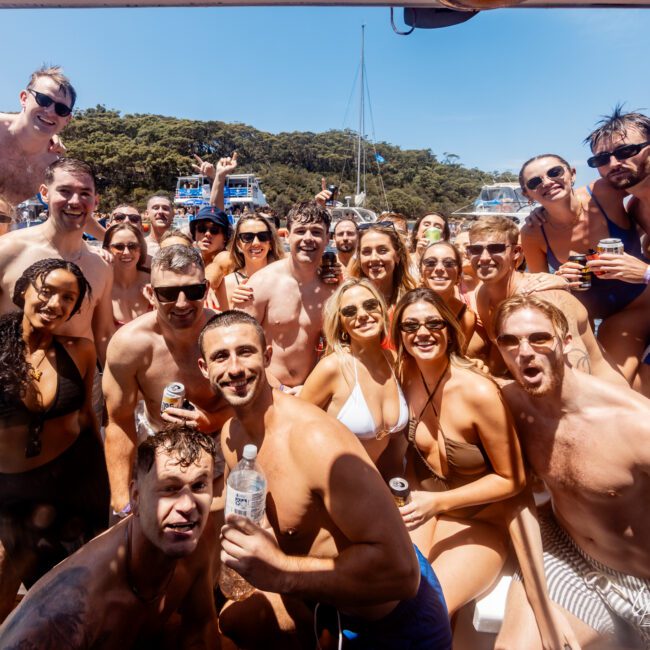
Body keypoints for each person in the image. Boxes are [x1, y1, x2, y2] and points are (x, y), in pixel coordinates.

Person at [198, 310, 452, 649]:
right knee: (235, 623)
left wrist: (281, 572)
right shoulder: (232, 434)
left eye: (246, 352)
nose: (234, 369)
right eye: (220, 357)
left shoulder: (315, 441)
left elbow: (403, 575)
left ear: (268, 356)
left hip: (395, 622)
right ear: (204, 368)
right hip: (325, 603)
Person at [493, 295, 650, 650]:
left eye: (539, 338)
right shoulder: (508, 403)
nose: (525, 351)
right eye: (510, 341)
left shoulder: (635, 423)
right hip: (569, 552)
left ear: (564, 343)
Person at [0, 426, 220, 649]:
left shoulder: (193, 541)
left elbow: (202, 628)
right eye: (169, 488)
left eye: (199, 486)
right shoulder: (75, 611)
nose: (188, 506)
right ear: (135, 498)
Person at [391, 287, 525, 616]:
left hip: (483, 522)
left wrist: (436, 502)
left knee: (429, 610)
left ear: (450, 331)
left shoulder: (477, 391)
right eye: (410, 326)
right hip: (425, 513)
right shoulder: (404, 378)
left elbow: (513, 479)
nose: (422, 333)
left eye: (433, 324)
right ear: (400, 335)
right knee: (390, 599)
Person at [0, 259, 109, 621]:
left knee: (67, 593)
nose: (55, 304)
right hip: (9, 495)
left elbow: (87, 419)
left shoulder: (80, 350)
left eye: (68, 297)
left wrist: (105, 491)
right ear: (23, 292)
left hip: (69, 490)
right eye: (46, 291)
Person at [103, 245, 230, 517]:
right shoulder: (130, 344)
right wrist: (121, 497)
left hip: (222, 448)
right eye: (168, 293)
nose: (182, 303)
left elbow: (259, 400)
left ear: (206, 289)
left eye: (192, 291)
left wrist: (214, 421)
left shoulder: (227, 335)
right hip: (158, 444)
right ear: (150, 293)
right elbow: (119, 422)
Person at [468, 216, 625, 383]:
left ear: (516, 253)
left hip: (599, 394)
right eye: (475, 250)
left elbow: (575, 376)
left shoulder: (544, 299)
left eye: (495, 248)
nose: (484, 257)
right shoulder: (482, 294)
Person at [0, 158, 114, 364]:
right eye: (64, 191)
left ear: (95, 201)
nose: (75, 201)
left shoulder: (100, 266)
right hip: (11, 381)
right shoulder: (8, 250)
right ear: (44, 193)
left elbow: (104, 334)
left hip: (78, 384)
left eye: (85, 193)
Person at [300, 278, 408, 478]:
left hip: (384, 487)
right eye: (350, 311)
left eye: (370, 305)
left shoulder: (396, 362)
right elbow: (294, 428)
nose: (363, 315)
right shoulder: (332, 368)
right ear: (340, 323)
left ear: (382, 311)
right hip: (338, 490)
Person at [240, 201, 339, 392]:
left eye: (316, 232)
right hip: (266, 389)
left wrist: (311, 389)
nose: (308, 238)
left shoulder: (332, 288)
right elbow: (241, 344)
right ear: (287, 236)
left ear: (327, 239)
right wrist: (279, 388)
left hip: (313, 391)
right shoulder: (261, 284)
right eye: (301, 231)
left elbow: (339, 347)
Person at [0, 67, 73, 209]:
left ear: (67, 119)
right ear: (24, 98)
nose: (51, 112)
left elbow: (77, 208)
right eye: (44, 100)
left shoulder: (52, 167)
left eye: (61, 109)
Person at [419, 240, 478, 354]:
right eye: (431, 263)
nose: (440, 268)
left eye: (449, 263)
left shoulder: (466, 316)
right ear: (421, 273)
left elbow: (458, 357)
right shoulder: (406, 306)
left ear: (459, 274)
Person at [350, 222, 417, 313]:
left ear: (397, 256)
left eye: (382, 250)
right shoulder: (349, 300)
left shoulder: (413, 301)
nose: (374, 258)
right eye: (366, 252)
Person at [222, 213, 284, 309]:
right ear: (238, 244)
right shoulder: (227, 284)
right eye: (247, 237)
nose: (256, 243)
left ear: (271, 243)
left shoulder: (284, 279)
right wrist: (235, 306)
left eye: (263, 236)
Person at [102, 223, 151, 328]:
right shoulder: (100, 287)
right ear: (106, 249)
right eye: (119, 247)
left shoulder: (155, 282)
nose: (126, 252)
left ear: (141, 249)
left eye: (133, 246)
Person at [143, 194, 175, 258]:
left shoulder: (182, 244)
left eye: (165, 209)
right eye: (156, 208)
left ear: (173, 214)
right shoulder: (140, 246)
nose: (160, 212)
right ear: (147, 214)